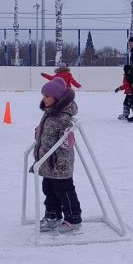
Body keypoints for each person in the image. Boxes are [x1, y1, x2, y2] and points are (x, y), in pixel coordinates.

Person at [34, 78, 82, 234]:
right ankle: (53, 215)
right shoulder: (49, 113)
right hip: (47, 161)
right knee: (48, 188)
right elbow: (47, 131)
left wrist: (67, 138)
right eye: (43, 95)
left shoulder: (62, 117)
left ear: (57, 98)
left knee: (64, 190)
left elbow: (67, 141)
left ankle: (73, 218)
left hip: (60, 163)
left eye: (47, 96)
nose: (44, 99)